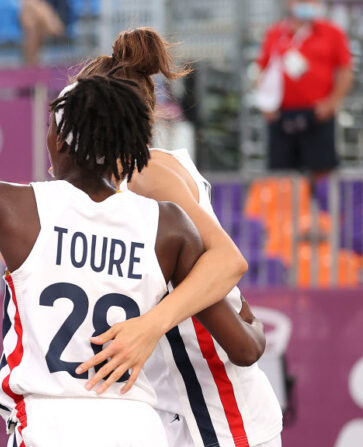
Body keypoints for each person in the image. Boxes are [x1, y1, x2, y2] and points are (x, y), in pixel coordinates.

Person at [0, 63, 246, 445]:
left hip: (50, 422)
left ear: (61, 140)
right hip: (137, 428)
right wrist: (245, 318)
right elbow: (245, 348)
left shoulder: (11, 204)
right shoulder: (169, 224)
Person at [78, 27, 283, 447]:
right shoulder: (118, 179)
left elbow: (229, 261)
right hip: (173, 405)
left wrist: (150, 326)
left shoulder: (144, 172)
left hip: (217, 410)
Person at [256, 0, 353, 182]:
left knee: (322, 173)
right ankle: (290, 210)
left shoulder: (332, 32)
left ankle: (322, 210)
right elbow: (262, 70)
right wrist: (265, 104)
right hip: (280, 115)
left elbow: (345, 72)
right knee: (281, 177)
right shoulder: (275, 34)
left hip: (318, 115)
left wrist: (331, 103)